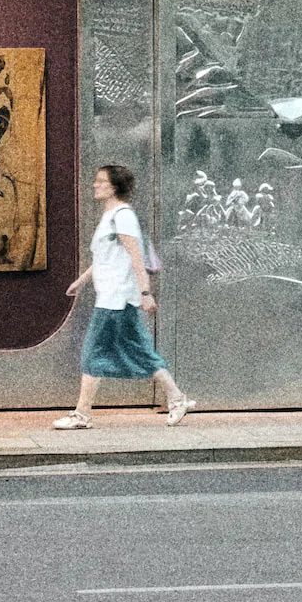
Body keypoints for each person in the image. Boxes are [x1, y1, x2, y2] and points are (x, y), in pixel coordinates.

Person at [52, 165, 193, 430]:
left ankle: (82, 414)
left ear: (114, 187)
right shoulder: (109, 217)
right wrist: (80, 283)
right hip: (113, 296)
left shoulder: (123, 216)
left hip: (116, 298)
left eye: (101, 181)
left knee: (93, 351)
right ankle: (177, 398)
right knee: (140, 351)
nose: (95, 185)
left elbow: (135, 257)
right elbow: (104, 259)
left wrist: (145, 293)